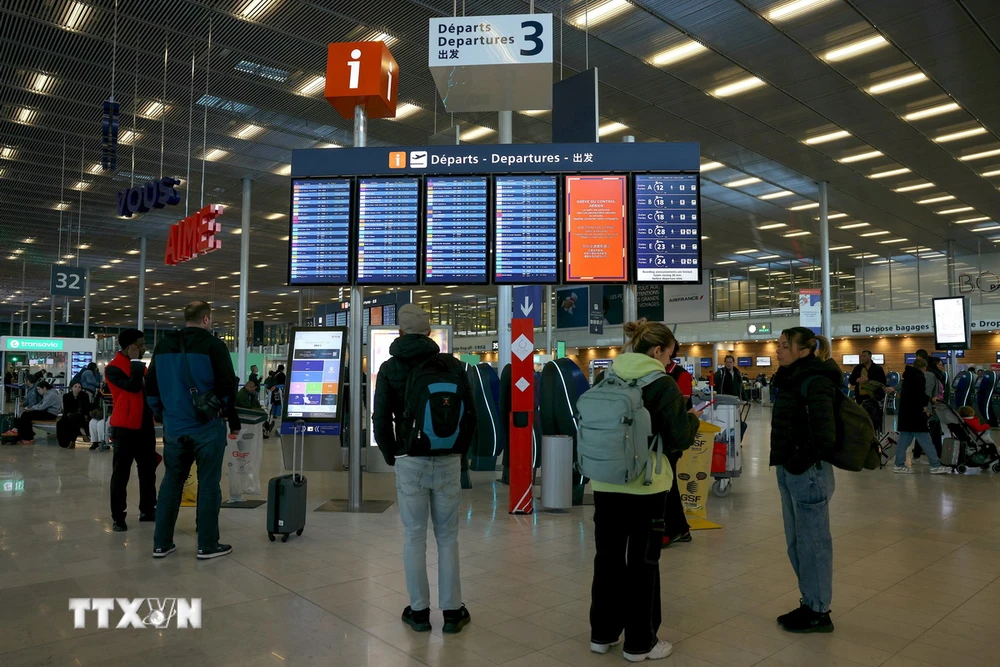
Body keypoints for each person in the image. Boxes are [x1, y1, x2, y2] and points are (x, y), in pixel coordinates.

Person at [588, 319, 700, 661]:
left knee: (607, 558)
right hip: (646, 487)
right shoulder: (662, 385)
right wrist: (691, 417)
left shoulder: (604, 377)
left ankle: (602, 634)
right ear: (656, 350)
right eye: (669, 354)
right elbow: (679, 437)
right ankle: (640, 642)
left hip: (605, 482)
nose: (669, 362)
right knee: (643, 563)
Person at [372, 304, 477, 635]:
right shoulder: (453, 366)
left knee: (414, 536)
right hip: (447, 459)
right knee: (448, 537)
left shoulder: (390, 368)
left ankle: (418, 612)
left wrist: (393, 455)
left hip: (410, 460)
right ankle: (451, 611)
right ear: (430, 333)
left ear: (400, 333)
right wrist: (460, 453)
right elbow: (470, 414)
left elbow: (380, 418)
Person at [147, 301, 240, 559]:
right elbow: (228, 385)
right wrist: (223, 410)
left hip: (174, 427)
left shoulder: (163, 345)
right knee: (209, 484)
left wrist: (161, 413)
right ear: (207, 319)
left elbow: (151, 386)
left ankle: (161, 543)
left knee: (171, 483)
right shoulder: (214, 346)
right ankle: (207, 544)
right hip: (207, 427)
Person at [770, 327, 839, 634]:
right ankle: (810, 601)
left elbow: (825, 434)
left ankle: (819, 610)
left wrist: (799, 461)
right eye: (778, 345)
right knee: (797, 544)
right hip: (791, 467)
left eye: (784, 346)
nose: (778, 350)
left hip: (808, 471)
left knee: (813, 544)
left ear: (804, 350)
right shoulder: (790, 379)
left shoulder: (816, 380)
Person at [105, 329, 158, 531]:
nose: (144, 348)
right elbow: (133, 387)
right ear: (130, 347)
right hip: (125, 428)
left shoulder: (140, 368)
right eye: (141, 344)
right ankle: (118, 516)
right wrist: (136, 362)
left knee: (148, 471)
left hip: (145, 426)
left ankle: (147, 509)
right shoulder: (113, 368)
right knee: (121, 474)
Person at [662, 340, 694, 549]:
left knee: (669, 482)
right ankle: (681, 528)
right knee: (668, 482)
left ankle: (674, 529)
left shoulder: (681, 375)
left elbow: (680, 407)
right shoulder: (655, 373)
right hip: (659, 435)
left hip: (673, 436)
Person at [894, 358, 950, 475]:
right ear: (925, 368)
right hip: (916, 414)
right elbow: (920, 394)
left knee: (903, 441)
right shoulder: (919, 376)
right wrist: (927, 404)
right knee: (926, 440)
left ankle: (899, 464)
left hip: (905, 414)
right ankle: (935, 465)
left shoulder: (908, 376)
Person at [57, 381, 91, 448]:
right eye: (75, 386)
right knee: (60, 423)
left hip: (81, 415)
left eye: (79, 387)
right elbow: (67, 409)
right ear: (71, 388)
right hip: (69, 415)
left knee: (75, 418)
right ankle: (82, 432)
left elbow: (86, 408)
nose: (77, 388)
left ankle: (72, 441)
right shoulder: (66, 396)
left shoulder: (84, 395)